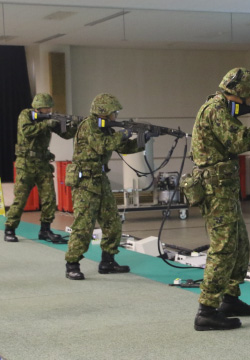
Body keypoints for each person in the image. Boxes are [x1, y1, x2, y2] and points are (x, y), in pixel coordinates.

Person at [190, 67, 250, 331]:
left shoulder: (221, 109)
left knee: (238, 244)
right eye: (249, 98)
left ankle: (229, 298)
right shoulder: (215, 110)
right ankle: (206, 310)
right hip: (216, 190)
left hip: (223, 188)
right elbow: (240, 141)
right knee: (224, 247)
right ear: (240, 93)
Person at [64, 93, 151, 280]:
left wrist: (143, 139)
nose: (116, 116)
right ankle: (72, 263)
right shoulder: (89, 126)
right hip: (85, 181)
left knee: (112, 221)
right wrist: (123, 134)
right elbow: (102, 146)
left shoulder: (106, 129)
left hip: (100, 179)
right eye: (114, 112)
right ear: (103, 112)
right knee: (84, 225)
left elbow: (124, 148)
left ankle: (108, 261)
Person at [4, 93, 76, 244]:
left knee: (49, 198)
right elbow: (27, 131)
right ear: (38, 108)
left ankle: (45, 230)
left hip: (43, 163)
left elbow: (66, 134)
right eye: (46, 108)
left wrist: (73, 125)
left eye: (50, 107)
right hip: (26, 164)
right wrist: (47, 123)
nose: (49, 110)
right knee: (21, 199)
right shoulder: (26, 115)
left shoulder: (49, 118)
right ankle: (10, 229)